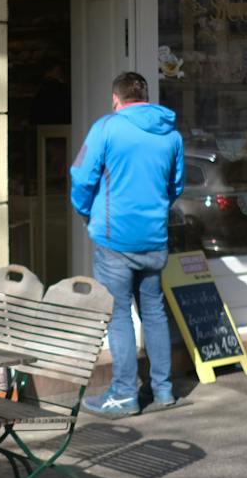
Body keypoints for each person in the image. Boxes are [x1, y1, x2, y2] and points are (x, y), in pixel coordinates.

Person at [69, 71, 185, 418]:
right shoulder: (171, 135)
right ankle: (163, 390)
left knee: (118, 314)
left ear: (116, 99)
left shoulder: (107, 127)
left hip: (114, 239)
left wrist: (85, 212)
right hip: (153, 239)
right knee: (152, 310)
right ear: (145, 98)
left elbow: (81, 176)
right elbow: (175, 186)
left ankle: (123, 394)